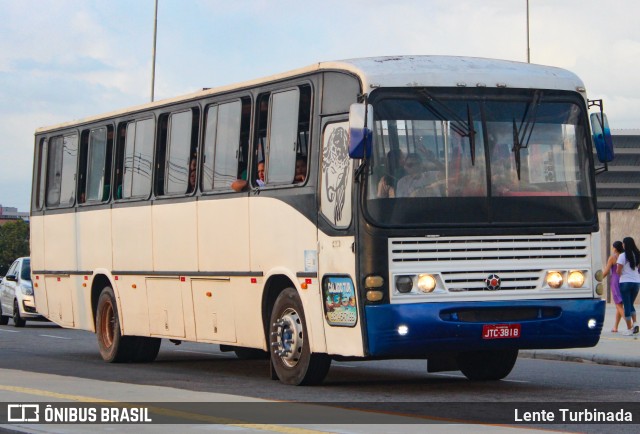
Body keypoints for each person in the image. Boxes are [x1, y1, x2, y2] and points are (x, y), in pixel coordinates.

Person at [616, 236, 640, 336]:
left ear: (626, 244)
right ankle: (635, 324)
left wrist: (621, 275)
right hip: (636, 282)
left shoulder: (622, 255)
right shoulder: (637, 255)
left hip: (625, 282)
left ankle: (629, 328)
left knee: (627, 305)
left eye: (623, 243)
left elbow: (618, 270)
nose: (623, 245)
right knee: (630, 304)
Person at [602, 241, 624, 332]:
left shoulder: (612, 258)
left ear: (614, 248)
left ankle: (630, 324)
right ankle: (615, 327)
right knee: (620, 304)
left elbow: (606, 271)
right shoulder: (624, 256)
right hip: (623, 279)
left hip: (615, 281)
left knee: (618, 305)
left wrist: (598, 279)